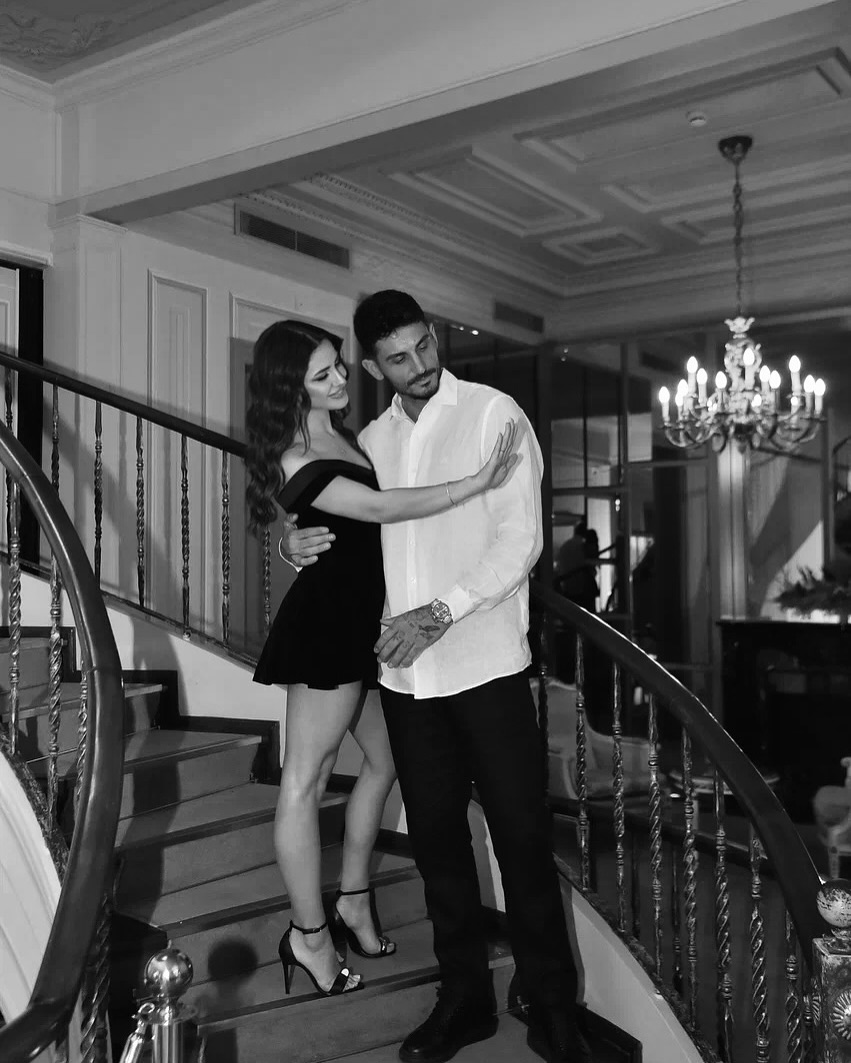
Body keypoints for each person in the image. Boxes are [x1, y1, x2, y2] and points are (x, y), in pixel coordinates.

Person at [282, 293, 592, 1063]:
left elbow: (519, 539)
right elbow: (341, 524)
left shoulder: (493, 415)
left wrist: (439, 611)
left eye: (424, 345)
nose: (418, 364)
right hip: (407, 684)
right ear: (370, 366)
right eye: (398, 357)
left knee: (521, 839)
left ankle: (551, 1002)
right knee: (438, 847)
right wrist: (290, 543)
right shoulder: (369, 441)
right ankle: (464, 998)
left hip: (485, 667)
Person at [245, 319, 518, 1001]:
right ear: (289, 388)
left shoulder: (350, 437)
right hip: (329, 628)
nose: (340, 379)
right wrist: (474, 482)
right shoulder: (294, 454)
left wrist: (290, 542)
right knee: (303, 781)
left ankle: (353, 899)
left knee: (385, 759)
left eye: (338, 365)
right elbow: (376, 507)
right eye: (322, 375)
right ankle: (308, 934)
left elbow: (333, 528)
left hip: (364, 624)